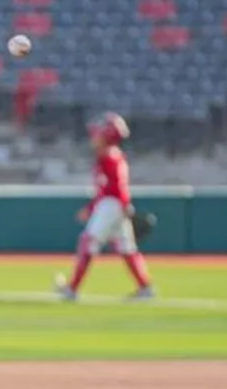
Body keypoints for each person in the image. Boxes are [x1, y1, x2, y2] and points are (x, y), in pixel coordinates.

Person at [55, 112, 154, 302]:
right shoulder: (110, 156)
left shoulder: (110, 157)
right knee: (127, 248)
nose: (95, 136)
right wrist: (93, 207)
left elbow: (117, 188)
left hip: (112, 205)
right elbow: (105, 188)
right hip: (113, 204)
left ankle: (72, 288)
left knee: (88, 242)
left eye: (100, 132)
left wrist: (123, 205)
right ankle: (145, 287)